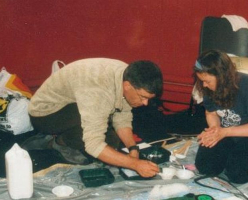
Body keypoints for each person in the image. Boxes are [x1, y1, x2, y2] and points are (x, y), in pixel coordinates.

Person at [24, 58, 163, 178]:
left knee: (111, 141)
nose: (145, 103)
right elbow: (94, 145)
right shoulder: (98, 93)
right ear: (127, 86)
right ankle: (55, 143)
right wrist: (135, 164)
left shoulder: (127, 75)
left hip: (72, 105)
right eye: (143, 97)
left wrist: (133, 148)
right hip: (45, 113)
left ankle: (62, 139)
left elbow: (122, 116)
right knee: (99, 143)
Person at [193, 50, 248, 184]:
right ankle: (231, 155)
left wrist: (224, 132)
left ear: (222, 77)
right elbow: (211, 113)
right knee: (205, 167)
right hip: (226, 133)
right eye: (202, 81)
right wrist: (214, 129)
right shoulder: (207, 86)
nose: (204, 85)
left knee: (238, 175)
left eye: (207, 81)